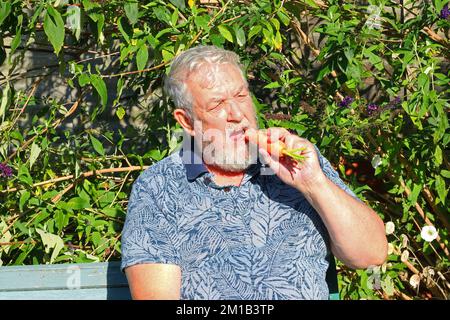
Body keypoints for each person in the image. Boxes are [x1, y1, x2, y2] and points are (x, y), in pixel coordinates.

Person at [120, 45, 388, 300]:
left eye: (241, 96)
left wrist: (313, 183)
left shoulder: (296, 161)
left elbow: (371, 254)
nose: (237, 114)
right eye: (217, 105)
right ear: (186, 121)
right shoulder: (159, 187)